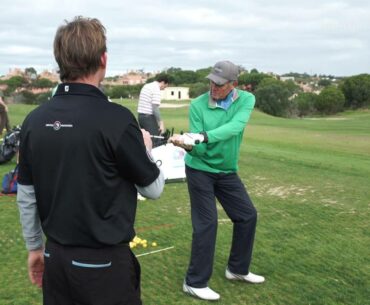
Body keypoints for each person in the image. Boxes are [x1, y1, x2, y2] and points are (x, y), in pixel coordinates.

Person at [17, 16, 164, 305]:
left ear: (60, 61)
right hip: (104, 267)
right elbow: (153, 188)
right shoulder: (117, 119)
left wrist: (35, 248)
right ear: (103, 59)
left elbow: (27, 195)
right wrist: (146, 148)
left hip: (55, 260)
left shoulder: (34, 121)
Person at [169, 60, 265, 301]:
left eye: (219, 84)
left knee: (247, 215)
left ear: (233, 84)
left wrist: (202, 137)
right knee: (207, 223)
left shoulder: (246, 100)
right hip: (199, 170)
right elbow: (200, 150)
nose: (213, 87)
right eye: (212, 81)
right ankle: (194, 282)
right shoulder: (198, 105)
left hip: (226, 170)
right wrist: (189, 145)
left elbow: (235, 127)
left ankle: (237, 269)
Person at [137, 73, 169, 147]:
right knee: (155, 141)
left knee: (146, 141)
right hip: (148, 118)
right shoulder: (156, 88)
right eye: (165, 86)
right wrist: (161, 123)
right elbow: (155, 108)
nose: (164, 89)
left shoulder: (147, 85)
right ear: (163, 82)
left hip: (141, 117)